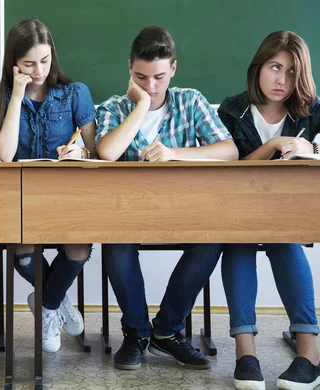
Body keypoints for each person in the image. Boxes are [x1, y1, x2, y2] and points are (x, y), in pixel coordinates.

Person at [96, 26, 238, 370]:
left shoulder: (191, 101)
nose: (151, 85)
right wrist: (141, 105)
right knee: (115, 241)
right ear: (129, 67)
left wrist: (175, 153)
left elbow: (230, 151)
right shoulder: (114, 107)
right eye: (141, 77)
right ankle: (136, 333)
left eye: (159, 77)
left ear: (173, 68)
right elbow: (107, 153)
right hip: (129, 214)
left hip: (183, 210)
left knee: (213, 239)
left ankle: (167, 331)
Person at [218, 30, 320, 390]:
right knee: (237, 246)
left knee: (286, 241)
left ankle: (309, 354)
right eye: (276, 67)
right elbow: (228, 164)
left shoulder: (313, 111)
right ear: (259, 66)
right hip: (239, 209)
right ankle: (247, 355)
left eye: (293, 72)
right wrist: (275, 144)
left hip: (290, 212)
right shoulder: (231, 109)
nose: (282, 80)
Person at [0, 18, 96, 353]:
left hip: (66, 196)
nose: (38, 71)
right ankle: (57, 302)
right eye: (28, 63)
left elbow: (94, 151)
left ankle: (47, 305)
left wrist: (79, 150)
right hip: (19, 199)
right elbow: (4, 154)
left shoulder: (75, 93)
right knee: (22, 250)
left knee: (80, 246)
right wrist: (18, 94)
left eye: (45, 61)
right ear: (13, 63)